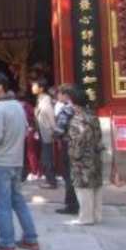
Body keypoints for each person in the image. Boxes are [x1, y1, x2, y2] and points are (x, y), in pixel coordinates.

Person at [0, 72, 39, 250]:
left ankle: (6, 243)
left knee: (2, 204)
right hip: (16, 161)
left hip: (0, 162)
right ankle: (31, 239)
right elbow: (25, 129)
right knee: (18, 201)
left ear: (0, 87)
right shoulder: (18, 106)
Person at [66, 89, 104, 225]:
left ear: (74, 102)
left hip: (82, 159)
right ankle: (97, 215)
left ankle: (86, 217)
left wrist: (73, 156)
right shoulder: (93, 116)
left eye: (70, 101)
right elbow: (99, 137)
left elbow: (77, 142)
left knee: (83, 187)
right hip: (95, 155)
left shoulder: (77, 120)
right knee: (96, 186)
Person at [53, 85, 80, 215]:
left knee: (68, 175)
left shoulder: (66, 110)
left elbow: (59, 129)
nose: (58, 96)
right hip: (79, 145)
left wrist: (54, 135)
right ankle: (80, 202)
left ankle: (71, 204)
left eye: (59, 93)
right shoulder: (80, 108)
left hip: (67, 144)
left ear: (65, 95)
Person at [33, 78, 57, 189]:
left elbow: (51, 117)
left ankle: (51, 182)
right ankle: (49, 180)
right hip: (42, 133)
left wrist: (54, 131)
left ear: (41, 88)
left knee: (47, 158)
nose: (32, 88)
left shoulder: (46, 100)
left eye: (35, 86)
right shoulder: (40, 99)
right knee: (45, 157)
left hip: (47, 133)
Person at [17, 92, 40, 182]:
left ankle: (32, 172)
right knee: (30, 153)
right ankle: (33, 171)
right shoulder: (29, 107)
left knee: (28, 153)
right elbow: (34, 119)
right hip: (29, 131)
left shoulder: (18, 108)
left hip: (24, 132)